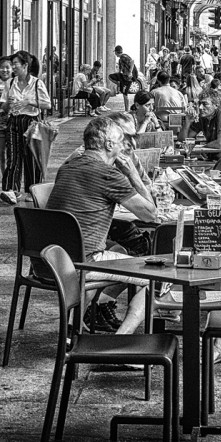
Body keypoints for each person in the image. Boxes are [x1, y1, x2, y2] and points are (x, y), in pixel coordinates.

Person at [46, 117, 159, 334]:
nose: (123, 145)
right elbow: (151, 214)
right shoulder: (108, 174)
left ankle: (76, 324)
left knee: (118, 250)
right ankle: (121, 340)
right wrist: (133, 174)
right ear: (109, 145)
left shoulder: (67, 166)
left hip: (51, 259)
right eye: (120, 140)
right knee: (160, 278)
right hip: (83, 262)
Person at [0, 50, 51, 205]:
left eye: (15, 64)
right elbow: (3, 107)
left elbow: (47, 104)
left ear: (25, 65)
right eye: (12, 64)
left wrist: (29, 101)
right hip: (14, 121)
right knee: (13, 156)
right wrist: (8, 103)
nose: (13, 67)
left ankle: (32, 189)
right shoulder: (10, 83)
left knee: (31, 157)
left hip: (31, 122)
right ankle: (11, 190)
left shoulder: (36, 83)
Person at [178, 89, 221, 166]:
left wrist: (205, 147)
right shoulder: (203, 117)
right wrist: (187, 122)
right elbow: (183, 141)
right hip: (217, 161)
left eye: (205, 104)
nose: (201, 107)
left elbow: (220, 144)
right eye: (199, 104)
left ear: (216, 105)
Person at [108, 45, 137, 111]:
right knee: (110, 76)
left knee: (125, 94)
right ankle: (119, 83)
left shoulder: (124, 56)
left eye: (115, 52)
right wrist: (117, 73)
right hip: (124, 77)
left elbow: (132, 61)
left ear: (116, 52)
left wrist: (130, 72)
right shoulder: (120, 59)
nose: (115, 54)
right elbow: (121, 69)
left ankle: (127, 109)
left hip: (128, 78)